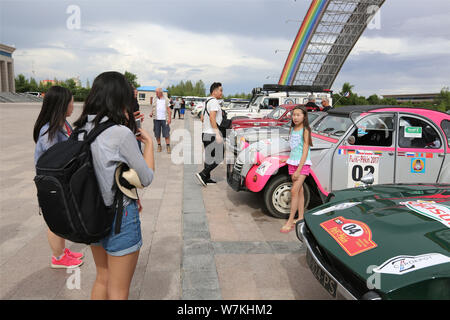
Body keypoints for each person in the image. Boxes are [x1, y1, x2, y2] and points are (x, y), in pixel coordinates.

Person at [73, 71, 154, 300]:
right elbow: (145, 177)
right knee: (119, 290)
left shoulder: (79, 129)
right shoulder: (120, 133)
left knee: (102, 277)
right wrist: (147, 143)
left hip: (90, 212)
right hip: (119, 217)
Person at [33, 86, 84, 269]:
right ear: (62, 104)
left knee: (62, 216)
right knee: (55, 219)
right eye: (71, 101)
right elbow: (53, 161)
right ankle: (58, 257)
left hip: (61, 181)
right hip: (52, 183)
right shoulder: (49, 131)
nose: (73, 105)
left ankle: (62, 251)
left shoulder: (63, 124)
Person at [280, 106, 313, 233]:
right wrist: (287, 158)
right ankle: (300, 217)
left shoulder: (305, 130)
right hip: (292, 163)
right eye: (294, 115)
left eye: (298, 115)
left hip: (302, 165)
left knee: (294, 191)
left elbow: (305, 151)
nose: (295, 117)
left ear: (304, 116)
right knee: (299, 192)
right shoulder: (293, 129)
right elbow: (295, 149)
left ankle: (290, 221)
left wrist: (299, 169)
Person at [195, 82, 224, 186]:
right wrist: (217, 134)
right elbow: (212, 118)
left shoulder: (206, 101)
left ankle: (206, 178)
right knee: (220, 156)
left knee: (209, 157)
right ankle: (203, 174)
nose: (222, 92)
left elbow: (202, 118)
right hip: (212, 134)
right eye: (220, 90)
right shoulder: (214, 102)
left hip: (205, 133)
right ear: (214, 91)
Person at [150, 88, 172, 153]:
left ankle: (168, 146)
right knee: (157, 133)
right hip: (156, 119)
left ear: (161, 92)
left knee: (166, 133)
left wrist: (169, 119)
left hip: (164, 119)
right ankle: (159, 145)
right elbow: (153, 108)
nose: (156, 94)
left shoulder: (166, 99)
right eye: (155, 92)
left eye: (157, 92)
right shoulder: (154, 99)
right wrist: (151, 113)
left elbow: (169, 110)